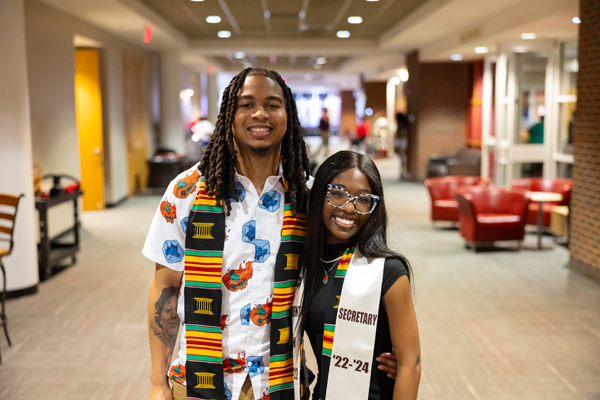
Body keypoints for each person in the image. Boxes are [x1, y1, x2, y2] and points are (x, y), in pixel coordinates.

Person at [143, 69, 398, 400]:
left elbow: (345, 273)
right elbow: (165, 289)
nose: (259, 114)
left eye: (272, 104)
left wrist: (375, 347)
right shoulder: (187, 192)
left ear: (288, 117)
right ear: (229, 116)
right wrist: (157, 382)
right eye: (246, 104)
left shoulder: (308, 199)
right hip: (197, 381)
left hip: (280, 385)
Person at [296, 151, 421, 400]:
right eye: (338, 193)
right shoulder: (303, 265)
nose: (350, 207)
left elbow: (411, 362)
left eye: (363, 199)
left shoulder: (388, 271)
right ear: (320, 193)